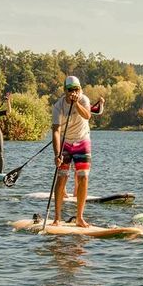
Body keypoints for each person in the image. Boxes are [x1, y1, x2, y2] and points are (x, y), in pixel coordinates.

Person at [52, 76, 93, 228]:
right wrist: (57, 154)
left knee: (83, 177)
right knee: (61, 178)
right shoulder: (58, 106)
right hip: (65, 142)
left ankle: (79, 218)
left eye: (77, 89)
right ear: (65, 91)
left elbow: (87, 115)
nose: (74, 92)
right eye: (71, 90)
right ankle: (57, 218)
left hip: (82, 140)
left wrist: (76, 104)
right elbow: (56, 131)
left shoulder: (84, 100)